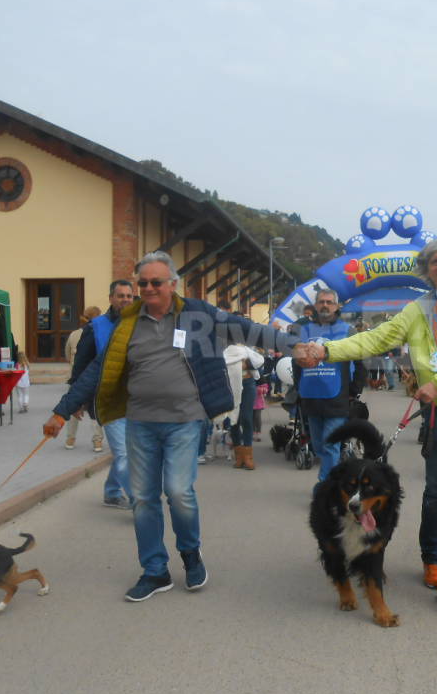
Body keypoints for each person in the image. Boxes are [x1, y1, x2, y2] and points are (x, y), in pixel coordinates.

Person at [43, 250, 297, 602]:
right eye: (142, 283)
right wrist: (61, 411)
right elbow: (97, 370)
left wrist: (296, 345)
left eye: (155, 282)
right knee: (144, 499)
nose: (147, 288)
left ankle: (191, 555)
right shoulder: (128, 324)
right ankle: (154, 570)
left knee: (178, 492)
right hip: (140, 423)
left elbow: (249, 330)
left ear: (172, 284)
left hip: (185, 421)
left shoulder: (198, 315)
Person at [296, 239, 437, 606]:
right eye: (435, 262)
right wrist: (328, 349)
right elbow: (378, 338)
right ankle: (432, 560)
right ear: (427, 270)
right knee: (436, 492)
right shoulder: (418, 309)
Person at [292, 288, 367, 486]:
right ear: (316, 305)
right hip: (311, 397)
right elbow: (296, 362)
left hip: (337, 397)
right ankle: (337, 481)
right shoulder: (303, 331)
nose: (325, 305)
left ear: (337, 306)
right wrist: (299, 387)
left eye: (329, 302)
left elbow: (360, 362)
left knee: (330, 443)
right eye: (321, 302)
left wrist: (354, 390)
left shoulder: (347, 330)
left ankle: (326, 486)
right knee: (318, 447)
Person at [69, 283, 135, 506]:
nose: (125, 300)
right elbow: (81, 366)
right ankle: (141, 502)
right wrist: (75, 400)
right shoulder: (95, 327)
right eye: (120, 296)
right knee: (125, 453)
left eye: (129, 296)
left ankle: (112, 491)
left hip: (136, 400)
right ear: (111, 298)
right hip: (106, 400)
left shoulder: (139, 324)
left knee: (131, 451)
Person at [64, 306, 104, 453]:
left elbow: (68, 355)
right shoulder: (99, 332)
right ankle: (97, 441)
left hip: (76, 377)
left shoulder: (74, 334)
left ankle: (70, 439)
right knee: (95, 410)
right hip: (94, 377)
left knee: (73, 408)